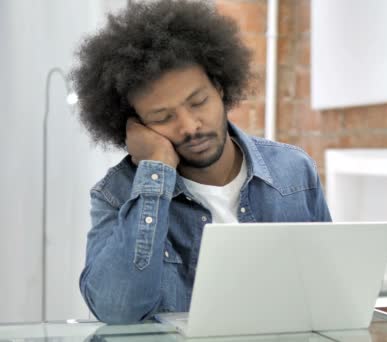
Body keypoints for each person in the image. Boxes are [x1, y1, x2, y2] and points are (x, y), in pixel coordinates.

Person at [71, 0, 331, 324]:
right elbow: (116, 309)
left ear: (220, 89)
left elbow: (326, 292)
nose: (190, 126)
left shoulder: (294, 171)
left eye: (198, 102)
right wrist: (157, 173)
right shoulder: (117, 193)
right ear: (134, 126)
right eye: (163, 117)